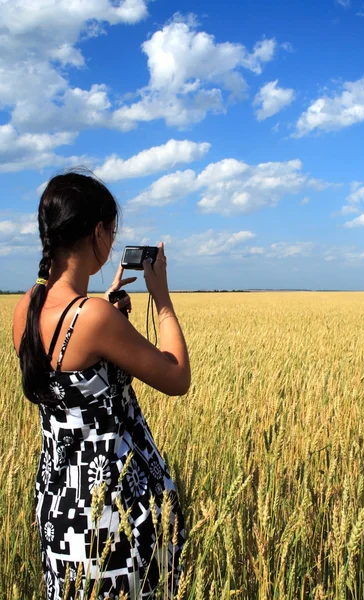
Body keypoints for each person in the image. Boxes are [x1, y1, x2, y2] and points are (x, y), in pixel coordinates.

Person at [12, 171, 190, 600]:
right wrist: (161, 300)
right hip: (112, 516)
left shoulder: (24, 310)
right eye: (111, 231)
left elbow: (75, 375)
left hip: (59, 510)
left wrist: (107, 310)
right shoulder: (93, 317)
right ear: (97, 232)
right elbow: (177, 376)